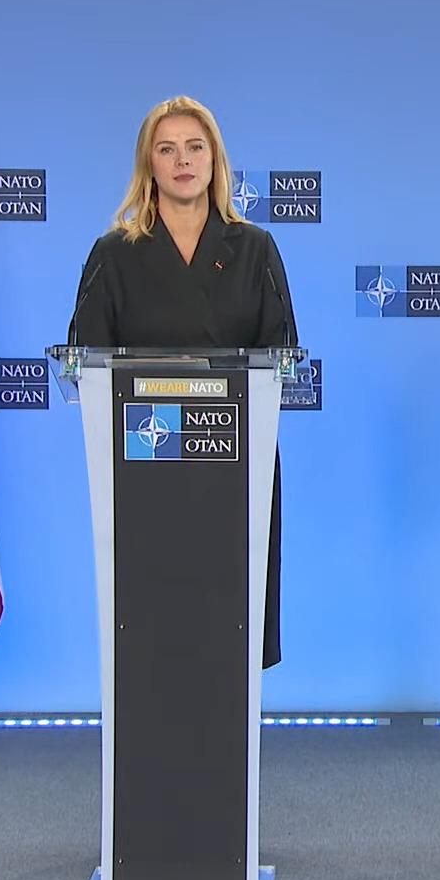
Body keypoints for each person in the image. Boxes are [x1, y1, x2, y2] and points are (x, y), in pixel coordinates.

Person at [68, 96, 298, 668]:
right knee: (153, 640)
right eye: (167, 149)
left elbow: (281, 354)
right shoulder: (114, 254)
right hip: (144, 468)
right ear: (148, 163)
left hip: (233, 464)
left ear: (215, 160)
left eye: (195, 147)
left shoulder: (255, 249)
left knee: (228, 633)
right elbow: (85, 361)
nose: (183, 161)